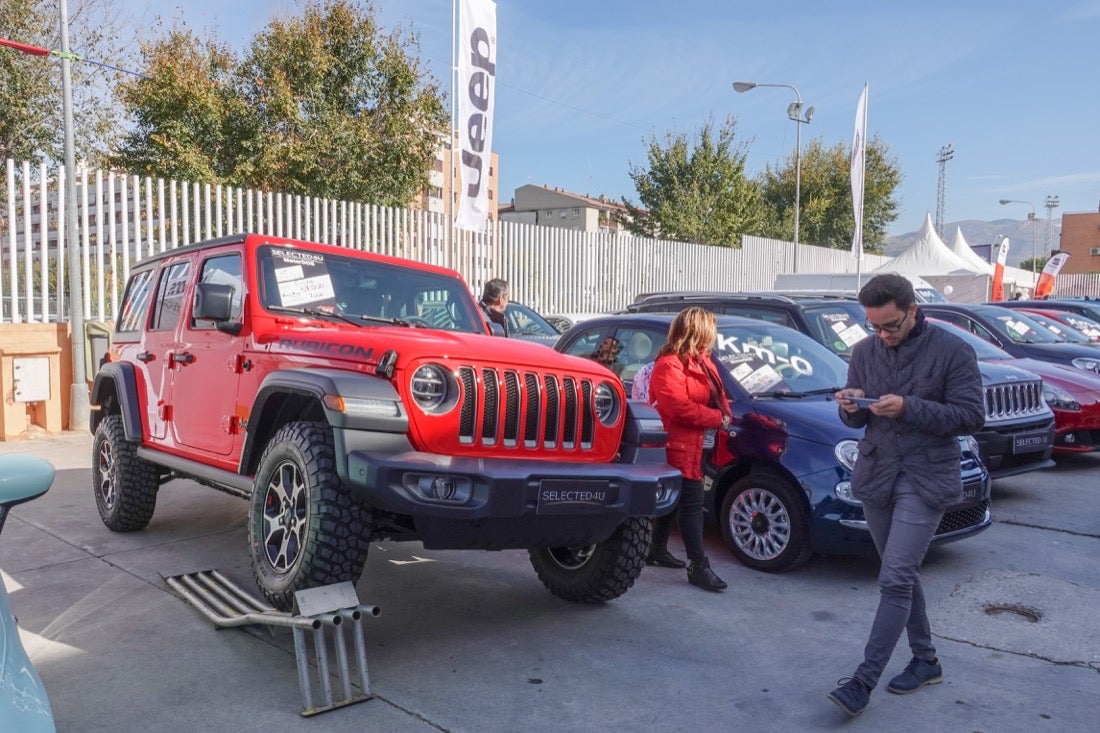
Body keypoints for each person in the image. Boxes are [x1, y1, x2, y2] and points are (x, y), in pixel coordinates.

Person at [828, 273, 984, 717]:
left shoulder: (954, 351)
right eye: (875, 326)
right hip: (877, 476)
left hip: (926, 477)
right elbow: (855, 423)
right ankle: (926, 660)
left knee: (895, 578)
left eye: (891, 325)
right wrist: (850, 403)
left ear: (913, 310)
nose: (883, 335)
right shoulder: (863, 352)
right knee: (903, 572)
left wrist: (909, 407)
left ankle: (862, 681)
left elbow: (973, 416)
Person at [647, 307, 733, 592]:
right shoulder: (669, 364)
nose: (715, 339)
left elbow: (719, 396)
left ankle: (656, 549)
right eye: (711, 333)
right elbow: (677, 407)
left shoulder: (703, 361)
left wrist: (724, 415)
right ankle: (698, 566)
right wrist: (716, 418)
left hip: (700, 441)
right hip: (679, 443)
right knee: (692, 504)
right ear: (699, 334)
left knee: (677, 499)